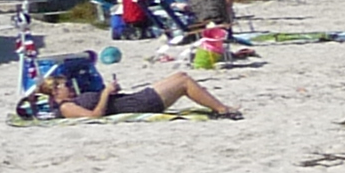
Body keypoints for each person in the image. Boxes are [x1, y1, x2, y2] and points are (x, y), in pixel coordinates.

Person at [40, 51, 239, 121]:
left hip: (134, 98)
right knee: (184, 80)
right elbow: (94, 116)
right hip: (139, 104)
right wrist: (106, 93)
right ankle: (222, 109)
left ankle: (220, 107)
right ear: (56, 91)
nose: (71, 87)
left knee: (181, 76)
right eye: (66, 85)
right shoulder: (66, 107)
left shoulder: (70, 101)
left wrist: (109, 93)